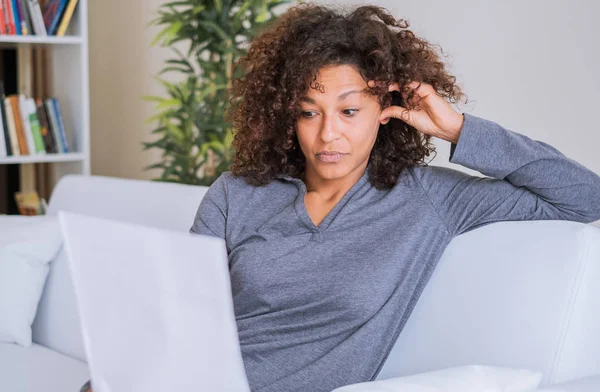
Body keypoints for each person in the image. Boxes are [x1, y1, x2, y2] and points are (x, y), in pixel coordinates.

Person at [82, 3, 600, 392]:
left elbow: (585, 199)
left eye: (349, 111)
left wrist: (458, 129)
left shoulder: (427, 199)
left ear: (385, 109)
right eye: (309, 111)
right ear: (287, 115)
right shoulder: (235, 194)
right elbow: (182, 318)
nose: (328, 134)